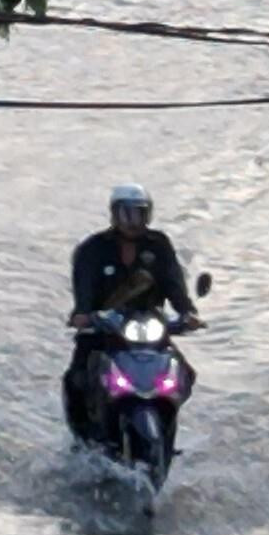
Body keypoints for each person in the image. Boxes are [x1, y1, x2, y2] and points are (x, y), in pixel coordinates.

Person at [65, 181, 197, 446]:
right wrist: (84, 314)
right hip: (103, 330)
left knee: (186, 373)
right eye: (126, 213)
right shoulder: (93, 249)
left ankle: (167, 424)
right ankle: (85, 439)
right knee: (76, 379)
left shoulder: (159, 244)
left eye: (138, 213)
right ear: (114, 214)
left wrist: (187, 312)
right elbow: (85, 287)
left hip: (148, 327)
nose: (132, 221)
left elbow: (173, 281)